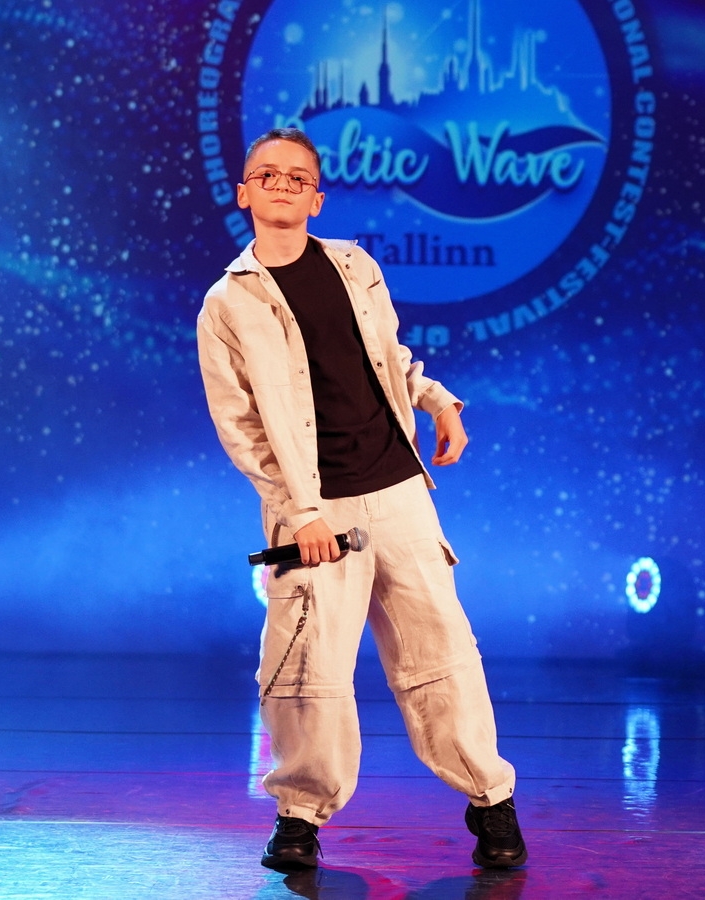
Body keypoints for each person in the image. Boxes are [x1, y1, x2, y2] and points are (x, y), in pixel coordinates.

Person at [196, 127, 525, 871]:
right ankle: (299, 817)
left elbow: (386, 359)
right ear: (244, 192)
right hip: (316, 512)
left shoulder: (354, 266)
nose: (282, 185)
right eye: (266, 174)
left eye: (297, 177)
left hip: (398, 492)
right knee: (306, 668)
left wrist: (437, 400)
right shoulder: (227, 302)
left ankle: (491, 802)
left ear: (316, 197)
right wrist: (300, 512)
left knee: (442, 652)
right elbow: (239, 425)